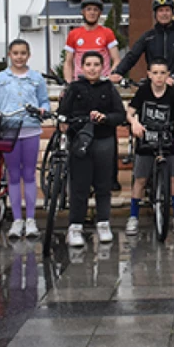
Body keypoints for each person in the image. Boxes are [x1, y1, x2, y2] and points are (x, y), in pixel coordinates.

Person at [0, 39, 49, 240]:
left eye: (23, 53)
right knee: (13, 175)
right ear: (9, 54)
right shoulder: (0, 78)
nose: (19, 57)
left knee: (29, 175)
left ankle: (31, 219)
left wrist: (44, 110)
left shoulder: (36, 78)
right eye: (15, 53)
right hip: (8, 131)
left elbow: (43, 100)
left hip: (30, 130)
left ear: (28, 55)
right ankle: (17, 220)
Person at [58, 51, 127, 247]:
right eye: (88, 64)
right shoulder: (74, 88)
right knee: (79, 186)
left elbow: (120, 115)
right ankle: (75, 227)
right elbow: (63, 113)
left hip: (104, 140)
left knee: (103, 185)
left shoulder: (108, 88)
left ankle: (103, 223)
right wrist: (65, 124)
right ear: (82, 67)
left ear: (103, 67)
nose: (92, 68)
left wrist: (105, 118)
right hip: (80, 141)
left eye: (96, 64)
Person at [125, 58, 174, 237]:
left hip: (166, 139)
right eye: (155, 73)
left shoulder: (172, 93)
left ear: (167, 75)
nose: (158, 77)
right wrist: (134, 122)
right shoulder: (143, 91)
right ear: (149, 75)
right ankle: (133, 216)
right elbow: (130, 111)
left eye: (162, 73)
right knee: (140, 179)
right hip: (146, 139)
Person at [64, 0, 123, 193]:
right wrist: (69, 83)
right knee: (76, 128)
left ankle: (111, 178)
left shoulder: (107, 33)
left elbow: (116, 59)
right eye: (88, 9)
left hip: (102, 86)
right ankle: (78, 176)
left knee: (107, 128)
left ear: (99, 13)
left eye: (95, 9)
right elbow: (68, 61)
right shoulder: (74, 34)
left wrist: (110, 76)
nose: (91, 12)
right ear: (83, 12)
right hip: (80, 86)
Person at [110, 0, 174, 99]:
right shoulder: (148, 36)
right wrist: (118, 72)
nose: (164, 14)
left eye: (167, 10)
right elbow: (132, 56)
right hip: (152, 90)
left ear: (172, 13)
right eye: (160, 10)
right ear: (155, 14)